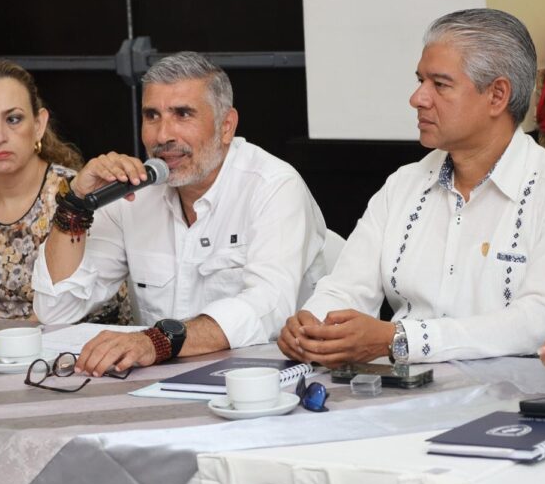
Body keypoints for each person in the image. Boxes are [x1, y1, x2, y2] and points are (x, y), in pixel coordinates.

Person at [278, 8, 545, 367]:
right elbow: (346, 287)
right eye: (420, 80)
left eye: (439, 84)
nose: (418, 98)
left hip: (514, 393)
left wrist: (401, 340)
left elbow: (536, 320)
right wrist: (312, 325)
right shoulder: (404, 185)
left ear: (497, 96)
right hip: (399, 388)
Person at [32, 51, 330, 376]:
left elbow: (268, 307)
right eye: (152, 116)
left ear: (226, 126)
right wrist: (76, 204)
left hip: (263, 381)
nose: (163, 136)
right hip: (156, 384)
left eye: (183, 114)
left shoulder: (273, 185)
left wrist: (159, 341)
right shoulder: (133, 193)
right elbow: (56, 309)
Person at [0, 59, 129, 322]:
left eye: (13, 119)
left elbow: (69, 309)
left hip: (84, 341)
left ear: (39, 125)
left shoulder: (80, 194)